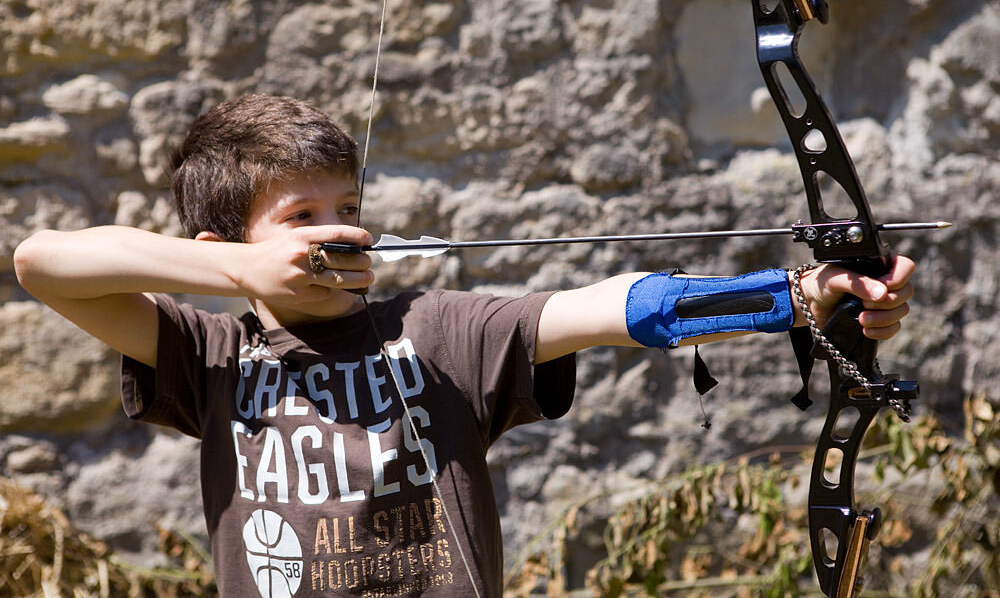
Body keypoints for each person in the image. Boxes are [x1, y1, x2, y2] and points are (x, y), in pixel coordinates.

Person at [13, 94, 914, 597]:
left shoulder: (439, 331)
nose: (344, 233)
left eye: (349, 209)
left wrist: (801, 296)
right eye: (304, 217)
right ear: (230, 248)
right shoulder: (206, 350)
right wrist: (245, 274)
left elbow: (615, 306)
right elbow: (42, 262)